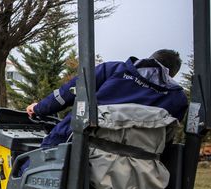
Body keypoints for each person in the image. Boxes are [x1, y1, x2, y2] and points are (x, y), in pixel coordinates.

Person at [26, 49, 188, 148]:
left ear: (149, 60)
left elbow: (68, 92)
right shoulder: (177, 99)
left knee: (25, 166)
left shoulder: (114, 70)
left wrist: (39, 108)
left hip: (78, 146)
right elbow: (167, 136)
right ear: (172, 75)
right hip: (141, 164)